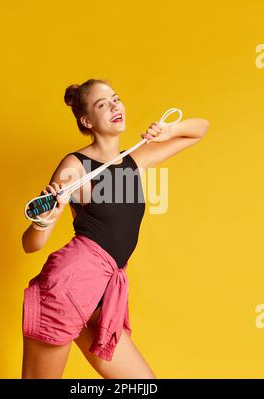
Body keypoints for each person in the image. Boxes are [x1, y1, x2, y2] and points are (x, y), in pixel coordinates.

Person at [21, 78, 210, 379]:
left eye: (115, 99)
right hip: (66, 288)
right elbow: (31, 243)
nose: (114, 106)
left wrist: (168, 131)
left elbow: (200, 130)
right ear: (87, 120)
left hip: (103, 296)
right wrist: (44, 219)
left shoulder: (134, 161)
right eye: (101, 104)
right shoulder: (76, 166)